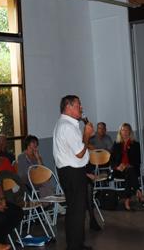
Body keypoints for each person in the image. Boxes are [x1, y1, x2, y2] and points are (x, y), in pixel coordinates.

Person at [53, 95, 94, 250]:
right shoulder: (67, 126)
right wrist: (87, 134)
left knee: (74, 209)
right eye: (78, 105)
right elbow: (79, 153)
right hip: (72, 173)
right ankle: (75, 246)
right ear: (68, 107)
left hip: (70, 171)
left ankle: (76, 244)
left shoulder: (65, 124)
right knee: (77, 211)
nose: (81, 108)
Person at [111, 123, 144, 210]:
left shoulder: (135, 144)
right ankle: (138, 190)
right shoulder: (116, 144)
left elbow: (138, 160)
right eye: (123, 130)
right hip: (119, 171)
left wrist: (129, 165)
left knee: (129, 171)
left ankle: (127, 200)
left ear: (130, 132)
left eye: (126, 130)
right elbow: (112, 160)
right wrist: (117, 167)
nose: (125, 132)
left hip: (131, 169)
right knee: (130, 173)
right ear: (120, 132)